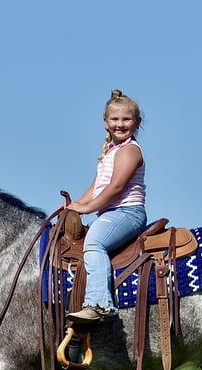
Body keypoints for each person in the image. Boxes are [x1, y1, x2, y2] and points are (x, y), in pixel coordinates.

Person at [65, 89, 148, 324]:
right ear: (105, 123)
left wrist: (88, 208)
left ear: (137, 122)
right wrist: (75, 205)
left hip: (127, 212)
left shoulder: (130, 151)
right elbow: (97, 186)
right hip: (110, 212)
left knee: (94, 243)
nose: (120, 124)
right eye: (115, 119)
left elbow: (116, 187)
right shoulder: (112, 152)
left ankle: (100, 303)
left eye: (126, 119)